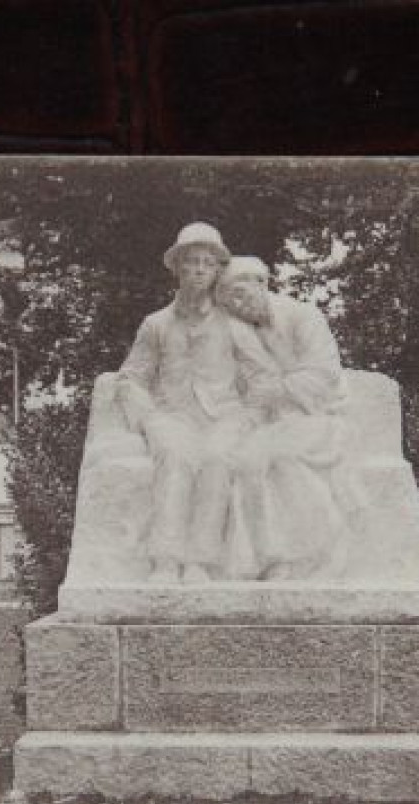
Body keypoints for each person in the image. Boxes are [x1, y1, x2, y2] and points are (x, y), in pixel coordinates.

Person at [115, 223, 261, 584]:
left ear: (216, 272)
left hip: (225, 417)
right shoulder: (156, 324)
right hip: (172, 417)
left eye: (207, 264)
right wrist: (147, 417)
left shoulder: (233, 323)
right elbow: (131, 376)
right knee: (175, 459)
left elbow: (261, 375)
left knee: (216, 460)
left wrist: (251, 416)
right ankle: (165, 560)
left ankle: (200, 561)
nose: (198, 269)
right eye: (191, 261)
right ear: (177, 267)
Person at [218, 257, 355, 580]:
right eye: (229, 297)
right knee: (245, 460)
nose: (238, 303)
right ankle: (268, 559)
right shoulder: (237, 332)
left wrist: (279, 390)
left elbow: (324, 375)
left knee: (279, 457)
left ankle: (316, 550)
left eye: (242, 293)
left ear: (262, 284)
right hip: (268, 422)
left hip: (317, 415)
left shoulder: (304, 317)